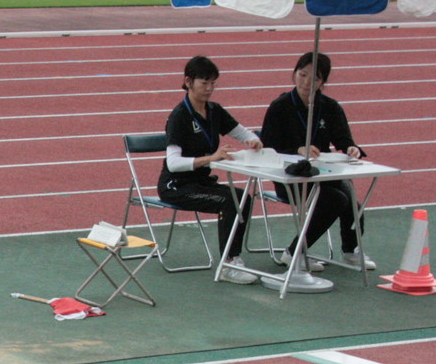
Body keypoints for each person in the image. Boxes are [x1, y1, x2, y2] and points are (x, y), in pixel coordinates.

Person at [258, 51, 372, 271]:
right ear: (294, 74)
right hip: (289, 178)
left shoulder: (329, 107)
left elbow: (344, 139)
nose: (307, 82)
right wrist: (298, 149)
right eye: (302, 74)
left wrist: (351, 148)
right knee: (335, 199)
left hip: (323, 174)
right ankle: (294, 252)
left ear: (323, 82)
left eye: (315, 78)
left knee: (349, 194)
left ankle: (351, 250)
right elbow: (268, 145)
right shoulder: (279, 107)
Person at [157, 55, 262, 284]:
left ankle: (233, 258)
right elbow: (174, 163)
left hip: (201, 183)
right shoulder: (179, 116)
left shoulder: (214, 110)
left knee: (241, 197)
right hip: (176, 186)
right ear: (188, 82)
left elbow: (241, 131)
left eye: (213, 83)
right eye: (204, 83)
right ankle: (228, 264)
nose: (209, 88)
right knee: (229, 201)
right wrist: (211, 158)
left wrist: (253, 140)